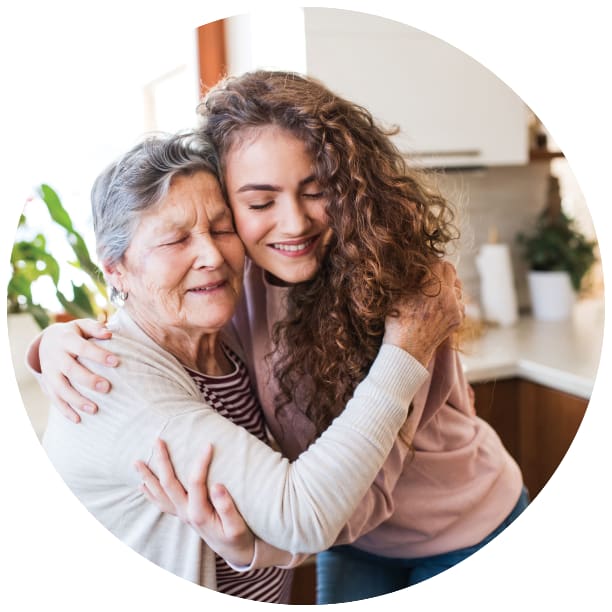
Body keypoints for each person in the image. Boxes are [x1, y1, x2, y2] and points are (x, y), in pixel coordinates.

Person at [29, 70, 527, 604]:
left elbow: (364, 497)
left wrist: (252, 548)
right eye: (260, 204)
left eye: (316, 192)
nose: (292, 224)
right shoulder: (231, 290)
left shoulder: (398, 293)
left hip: (462, 528)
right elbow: (150, 307)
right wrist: (52, 347)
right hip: (349, 541)